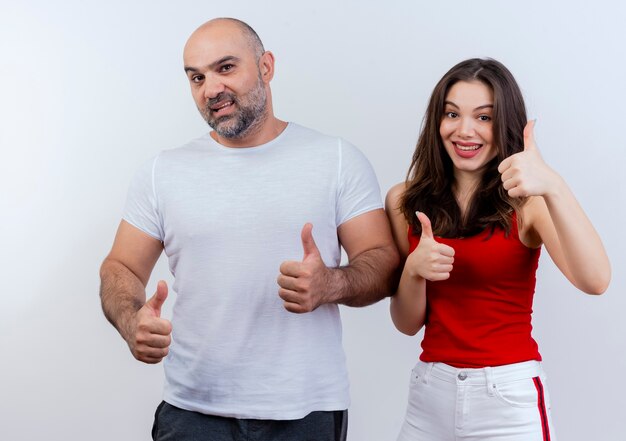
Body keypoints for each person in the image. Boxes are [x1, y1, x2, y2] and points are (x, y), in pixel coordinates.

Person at [99, 18, 398, 441]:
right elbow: (121, 266)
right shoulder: (162, 172)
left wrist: (331, 284)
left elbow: (384, 261)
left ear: (266, 66)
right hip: (192, 412)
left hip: (306, 412)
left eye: (225, 68)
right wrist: (131, 322)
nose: (210, 89)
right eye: (196, 77)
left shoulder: (335, 159)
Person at [386, 58, 610, 441]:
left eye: (484, 117)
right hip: (429, 397)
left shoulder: (528, 204)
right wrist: (413, 270)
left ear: (504, 123)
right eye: (452, 114)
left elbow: (595, 280)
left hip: (507, 400)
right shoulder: (403, 200)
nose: (464, 130)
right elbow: (407, 324)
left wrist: (553, 184)